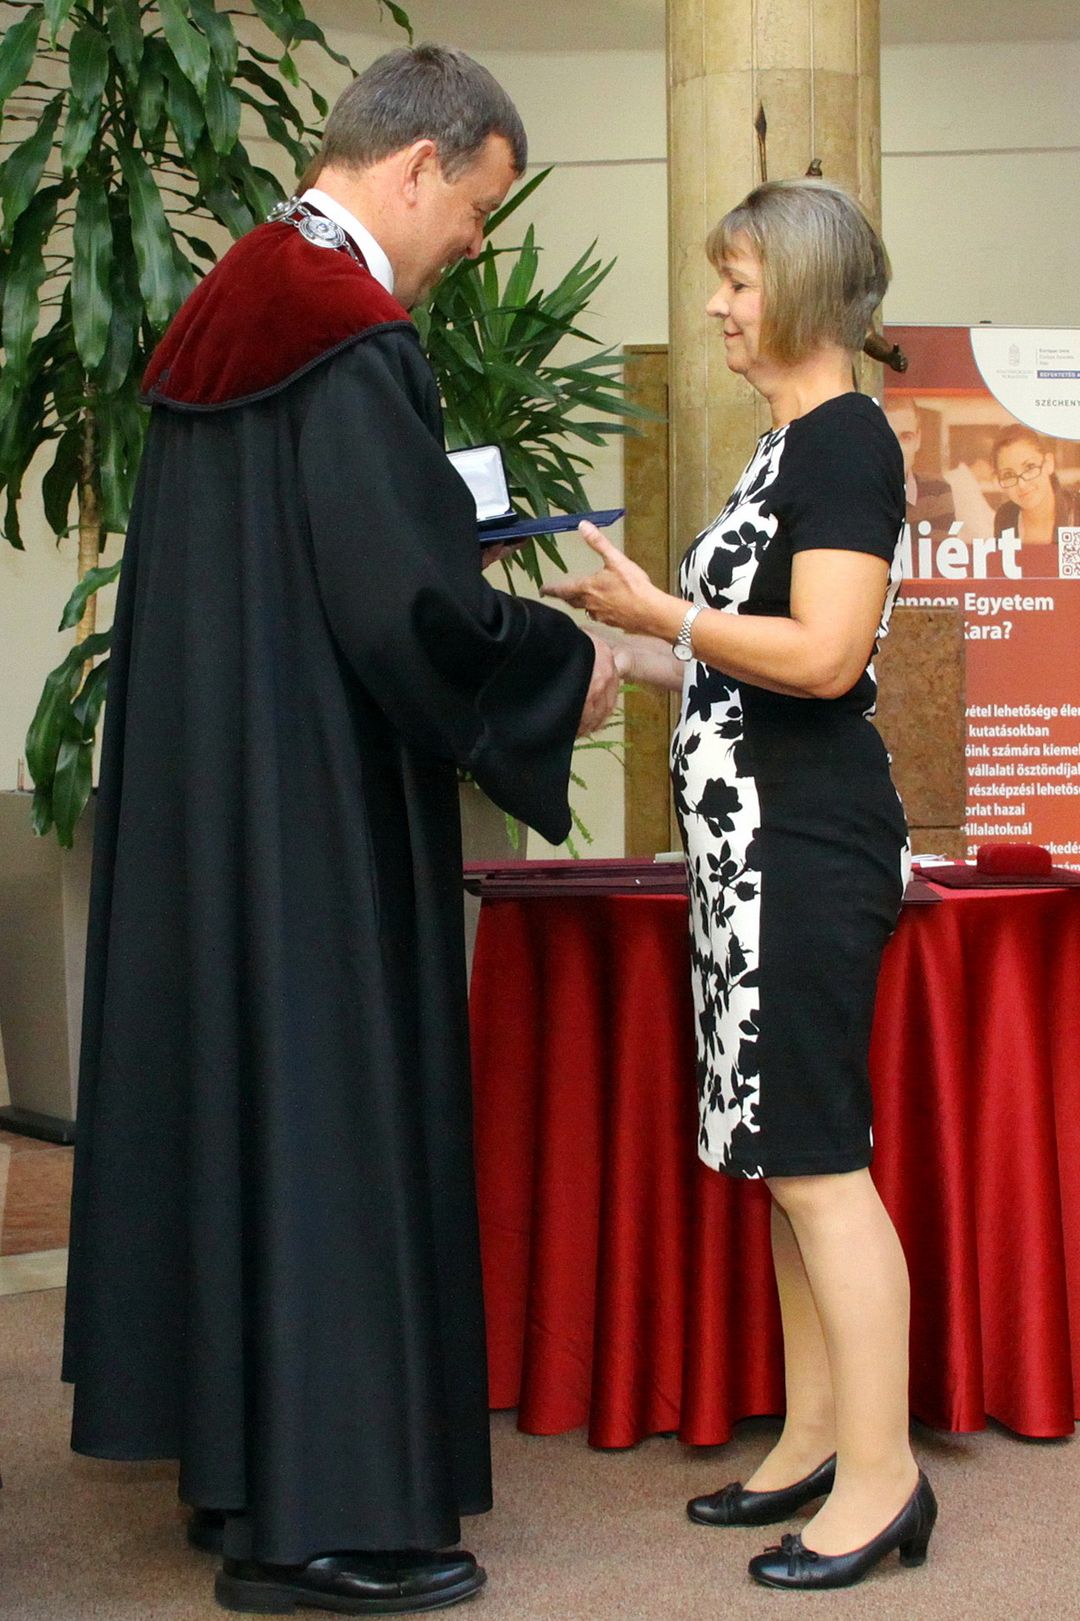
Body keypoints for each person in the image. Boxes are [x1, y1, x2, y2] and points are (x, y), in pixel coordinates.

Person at [62, 45, 617, 1618]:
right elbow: (406, 609)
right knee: (327, 1127)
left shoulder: (235, 298)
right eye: (481, 209)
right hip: (313, 819)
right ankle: (313, 1526)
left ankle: (243, 1470)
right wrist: (557, 666)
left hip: (217, 812)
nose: (476, 247)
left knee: (245, 1119)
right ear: (420, 163)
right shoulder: (347, 334)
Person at [544, 179, 936, 1593]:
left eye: (738, 279)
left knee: (821, 1165)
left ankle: (884, 1481)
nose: (715, 304)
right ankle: (816, 1438)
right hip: (751, 847)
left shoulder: (844, 443)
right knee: (782, 1161)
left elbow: (824, 657)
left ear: (808, 294)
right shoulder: (789, 446)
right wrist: (629, 644)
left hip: (803, 848)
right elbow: (736, 661)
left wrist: (671, 612)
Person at [992, 423, 1080, 577]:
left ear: (1048, 464)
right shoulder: (1005, 517)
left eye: (1029, 467)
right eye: (1008, 475)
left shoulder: (1076, 510)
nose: (1022, 484)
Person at [883, 398, 956, 541]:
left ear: (918, 440)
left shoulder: (937, 490)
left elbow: (938, 553)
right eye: (886, 437)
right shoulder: (856, 492)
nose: (896, 450)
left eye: (906, 437)